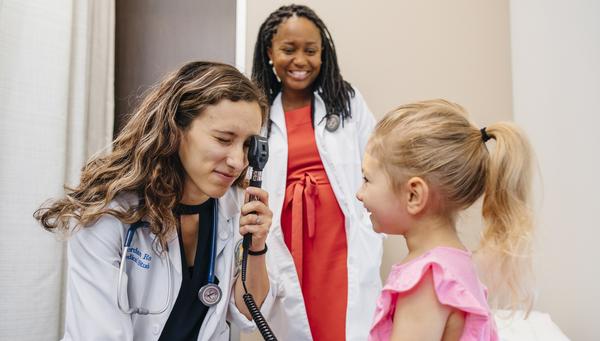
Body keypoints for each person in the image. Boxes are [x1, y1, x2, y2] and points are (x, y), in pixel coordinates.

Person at [34, 61, 277, 341]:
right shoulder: (110, 213)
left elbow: (249, 317)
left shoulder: (236, 209)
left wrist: (256, 248)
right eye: (224, 139)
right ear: (175, 129)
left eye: (248, 145)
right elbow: (99, 335)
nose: (238, 161)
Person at [251, 4, 383, 341]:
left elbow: (380, 160)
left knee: (342, 321)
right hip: (287, 235)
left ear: (323, 53)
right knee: (295, 318)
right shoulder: (257, 111)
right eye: (288, 49)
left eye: (311, 51)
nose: (300, 61)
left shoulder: (345, 100)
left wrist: (375, 225)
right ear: (270, 51)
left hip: (339, 236)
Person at [358, 99, 535, 340]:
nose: (360, 194)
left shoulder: (426, 281)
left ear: (414, 194)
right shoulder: (457, 264)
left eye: (367, 179)